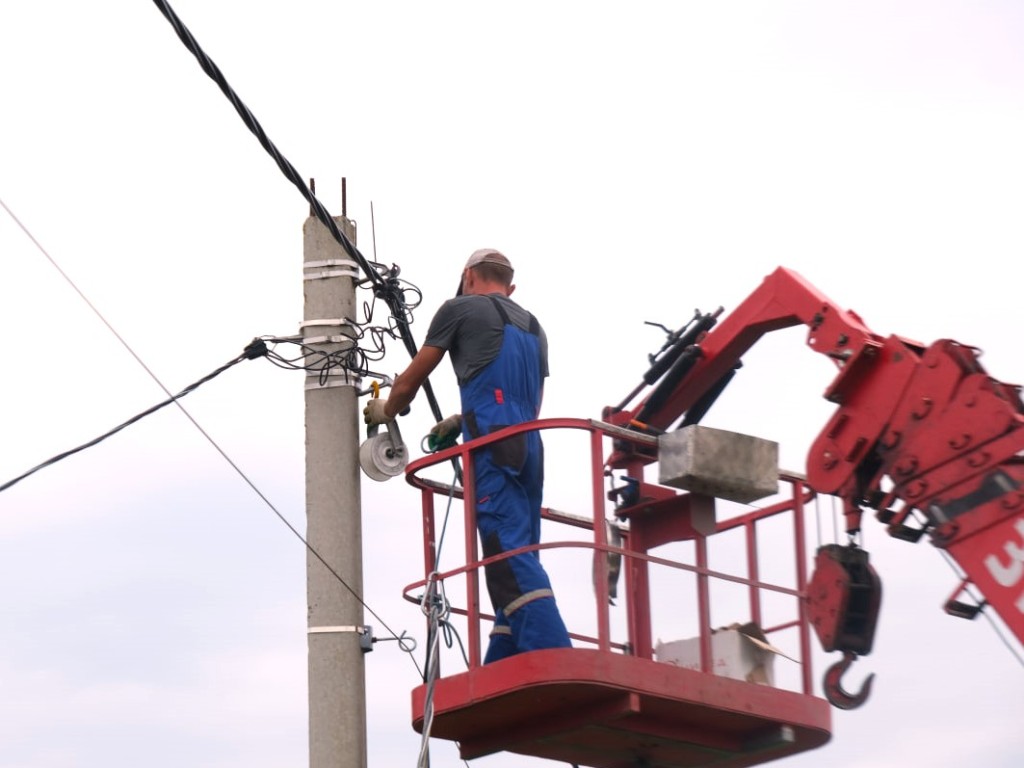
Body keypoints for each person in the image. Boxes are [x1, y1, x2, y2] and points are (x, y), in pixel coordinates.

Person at [363, 248, 572, 663]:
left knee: (503, 546)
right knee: (521, 549)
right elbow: (529, 400)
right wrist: (461, 418)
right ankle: (507, 654)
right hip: (530, 444)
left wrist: (385, 409)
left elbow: (414, 377)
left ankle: (553, 653)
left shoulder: (459, 308)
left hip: (492, 444)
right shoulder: (534, 326)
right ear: (510, 287)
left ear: (467, 276)